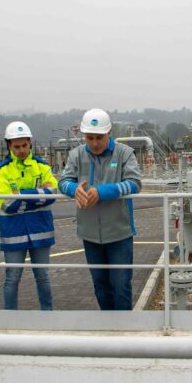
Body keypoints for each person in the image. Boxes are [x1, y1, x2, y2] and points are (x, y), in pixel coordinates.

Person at [59, 109, 142, 310]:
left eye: (99, 137)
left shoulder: (124, 153)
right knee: (101, 286)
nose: (95, 143)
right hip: (90, 235)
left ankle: (123, 332)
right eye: (90, 138)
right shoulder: (76, 155)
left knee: (121, 286)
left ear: (109, 132)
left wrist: (103, 192)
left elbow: (135, 183)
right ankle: (108, 328)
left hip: (119, 234)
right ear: (83, 135)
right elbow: (63, 181)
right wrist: (73, 190)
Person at [0, 121, 56, 310]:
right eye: (16, 146)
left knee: (43, 277)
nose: (21, 150)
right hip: (14, 232)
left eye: (24, 145)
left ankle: (48, 315)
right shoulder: (1, 170)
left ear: (30, 143)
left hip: (40, 230)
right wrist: (37, 194)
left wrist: (21, 195)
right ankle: (11, 318)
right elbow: (6, 203)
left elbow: (53, 192)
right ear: (9, 146)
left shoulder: (42, 166)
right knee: (12, 277)